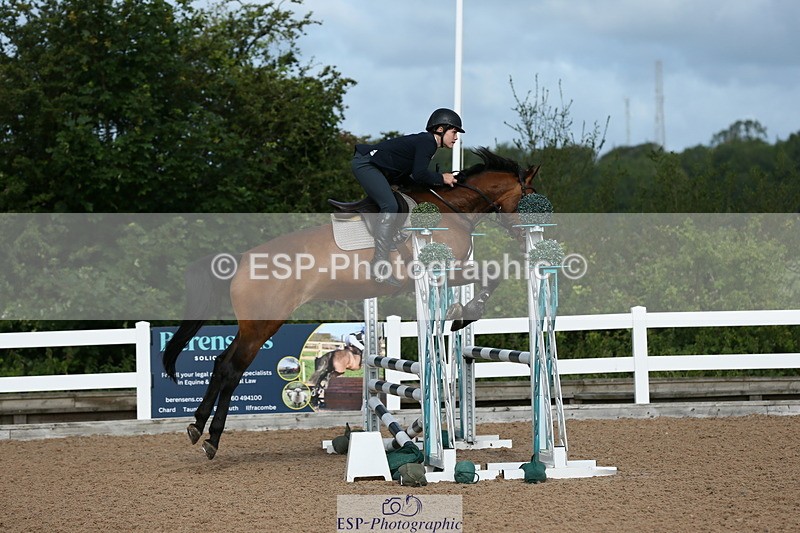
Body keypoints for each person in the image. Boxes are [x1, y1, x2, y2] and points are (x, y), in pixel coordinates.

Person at [351, 108, 464, 285]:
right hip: (366, 164)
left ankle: (395, 235)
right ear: (440, 129)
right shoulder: (427, 142)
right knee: (390, 206)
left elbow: (411, 175)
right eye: (454, 132)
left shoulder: (428, 143)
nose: (456, 138)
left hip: (380, 168)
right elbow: (419, 174)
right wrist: (442, 177)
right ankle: (379, 265)